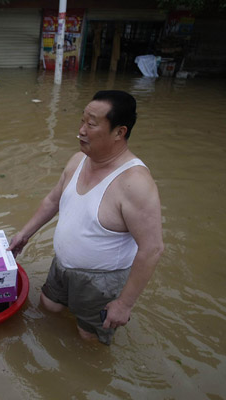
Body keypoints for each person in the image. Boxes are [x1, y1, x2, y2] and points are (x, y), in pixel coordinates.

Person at [8, 90, 164, 345]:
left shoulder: (135, 183)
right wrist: (24, 234)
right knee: (48, 307)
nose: (81, 130)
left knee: (87, 337)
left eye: (91, 124)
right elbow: (52, 200)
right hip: (62, 266)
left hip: (100, 281)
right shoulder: (79, 159)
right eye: (82, 121)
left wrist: (124, 304)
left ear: (119, 132)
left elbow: (152, 248)